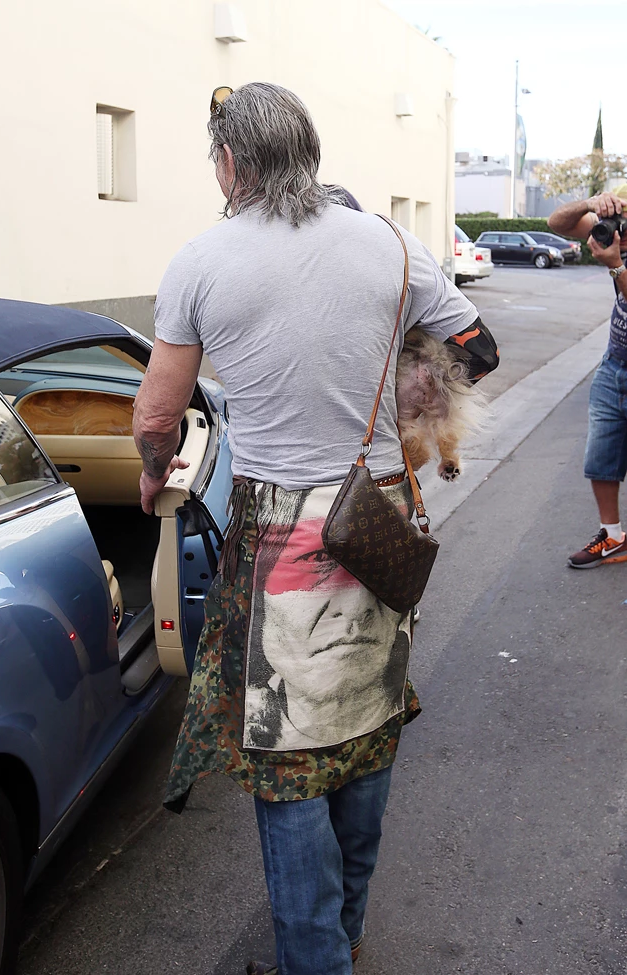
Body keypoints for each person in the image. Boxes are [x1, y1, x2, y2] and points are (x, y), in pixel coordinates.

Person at [132, 82, 499, 975]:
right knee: (365, 728)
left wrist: (152, 478)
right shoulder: (390, 244)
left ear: (229, 160)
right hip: (376, 521)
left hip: (278, 537)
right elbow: (478, 350)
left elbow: (155, 417)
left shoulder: (201, 259)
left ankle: (315, 958)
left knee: (287, 748)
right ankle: (347, 930)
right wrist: (402, 397)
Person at [549, 186, 627, 568]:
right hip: (615, 364)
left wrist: (616, 267)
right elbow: (557, 222)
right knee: (602, 456)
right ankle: (612, 537)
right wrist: (591, 204)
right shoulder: (616, 230)